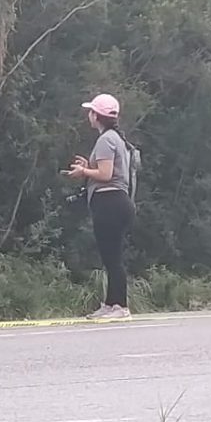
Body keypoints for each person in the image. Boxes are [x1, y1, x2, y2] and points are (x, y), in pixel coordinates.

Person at [68, 93, 136, 320]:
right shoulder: (116, 139)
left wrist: (84, 172)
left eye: (91, 111)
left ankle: (120, 306)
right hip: (117, 203)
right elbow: (108, 170)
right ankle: (111, 303)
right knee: (110, 256)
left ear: (96, 116)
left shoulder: (106, 139)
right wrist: (89, 167)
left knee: (112, 257)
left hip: (110, 203)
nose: (89, 115)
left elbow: (106, 175)